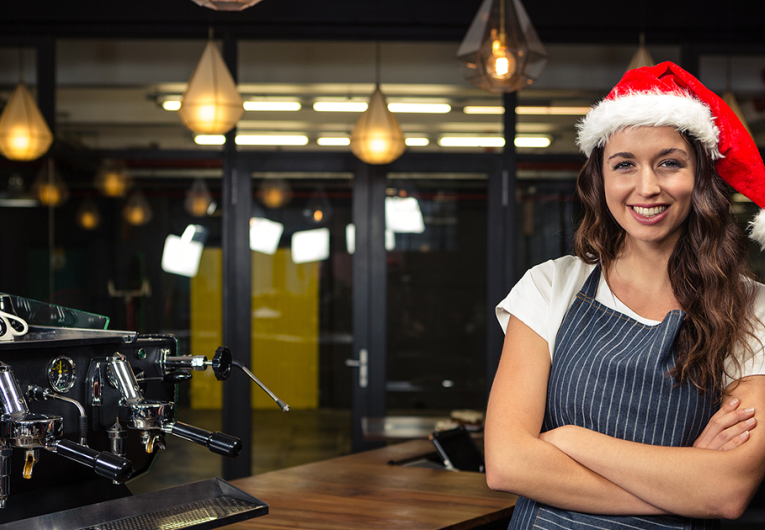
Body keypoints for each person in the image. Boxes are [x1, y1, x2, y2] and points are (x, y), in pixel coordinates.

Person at [484, 61, 765, 530]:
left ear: (700, 176)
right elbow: (508, 463)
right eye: (624, 165)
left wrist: (571, 440)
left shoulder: (751, 307)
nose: (647, 187)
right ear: (601, 181)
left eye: (670, 162)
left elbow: (727, 490)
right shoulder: (549, 286)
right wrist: (683, 485)